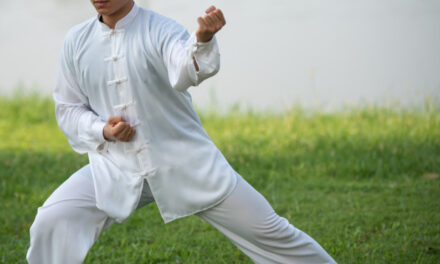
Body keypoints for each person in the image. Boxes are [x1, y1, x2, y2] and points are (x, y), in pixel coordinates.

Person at [26, 1, 337, 263]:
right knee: (52, 220)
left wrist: (201, 40)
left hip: (188, 164)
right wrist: (101, 130)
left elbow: (184, 70)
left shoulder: (160, 29)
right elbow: (68, 108)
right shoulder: (76, 41)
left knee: (270, 232)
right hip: (114, 167)